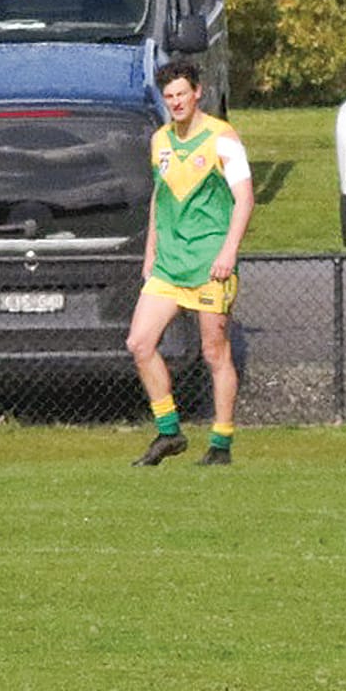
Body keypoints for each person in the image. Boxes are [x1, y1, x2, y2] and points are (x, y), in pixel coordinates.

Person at [126, 61, 255, 466]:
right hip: (169, 264)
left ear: (197, 92)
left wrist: (228, 251)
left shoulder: (222, 138)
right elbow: (158, 199)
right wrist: (151, 251)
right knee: (139, 343)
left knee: (215, 353)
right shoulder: (160, 140)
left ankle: (221, 444)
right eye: (169, 96)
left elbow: (246, 198)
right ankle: (169, 433)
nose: (176, 102)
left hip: (208, 263)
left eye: (182, 93)